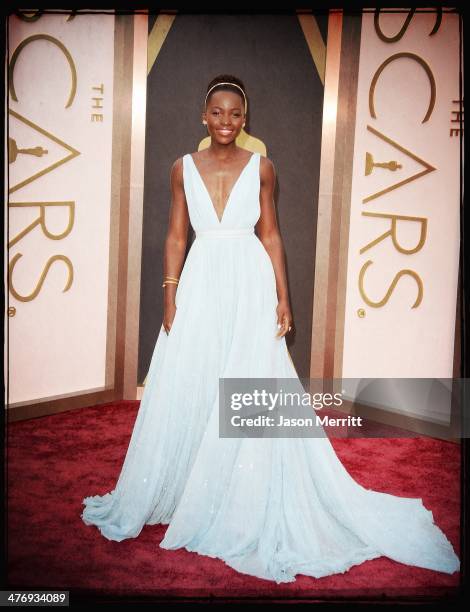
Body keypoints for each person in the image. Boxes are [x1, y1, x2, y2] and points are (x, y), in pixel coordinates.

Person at [81, 74, 460, 583]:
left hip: (248, 281)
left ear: (245, 119)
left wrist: (283, 296)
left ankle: (238, 493)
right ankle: (190, 486)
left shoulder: (262, 168)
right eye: (217, 112)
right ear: (203, 115)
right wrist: (169, 292)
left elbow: (272, 234)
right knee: (191, 382)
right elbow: (175, 234)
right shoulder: (181, 169)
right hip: (200, 282)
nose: (226, 121)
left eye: (235, 114)